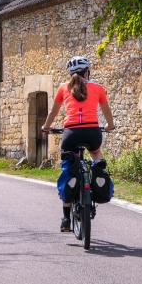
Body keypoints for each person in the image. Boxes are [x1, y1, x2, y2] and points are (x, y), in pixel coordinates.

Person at [41, 56, 115, 232]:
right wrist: (109, 126)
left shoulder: (63, 88)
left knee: (69, 170)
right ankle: (98, 174)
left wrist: (46, 127)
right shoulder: (97, 88)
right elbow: (107, 112)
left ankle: (66, 219)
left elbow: (53, 112)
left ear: (70, 73)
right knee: (96, 154)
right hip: (92, 133)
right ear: (87, 71)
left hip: (71, 134)